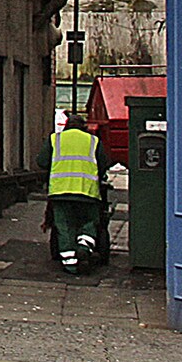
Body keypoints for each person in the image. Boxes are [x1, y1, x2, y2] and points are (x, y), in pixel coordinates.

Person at [41, 110, 111, 273]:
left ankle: (70, 264)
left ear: (66, 126)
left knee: (64, 227)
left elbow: (42, 161)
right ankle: (84, 247)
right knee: (90, 222)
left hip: (60, 192)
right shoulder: (93, 141)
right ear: (84, 127)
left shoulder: (55, 139)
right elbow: (103, 164)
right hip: (88, 192)